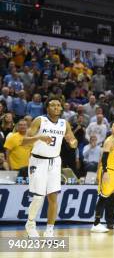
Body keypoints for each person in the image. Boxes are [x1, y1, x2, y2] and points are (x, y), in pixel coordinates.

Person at [23, 99, 78, 237]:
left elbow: (74, 142)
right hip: (38, 161)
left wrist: (72, 142)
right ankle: (30, 223)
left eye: (58, 105)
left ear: (61, 109)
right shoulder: (39, 120)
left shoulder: (64, 123)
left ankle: (49, 230)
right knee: (39, 197)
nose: (56, 107)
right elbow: (24, 141)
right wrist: (39, 137)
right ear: (47, 108)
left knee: (53, 197)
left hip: (55, 162)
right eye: (52, 105)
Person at [90, 121, 114, 233]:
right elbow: (104, 158)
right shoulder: (109, 141)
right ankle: (96, 224)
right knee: (103, 197)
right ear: (111, 129)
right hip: (108, 171)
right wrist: (105, 172)